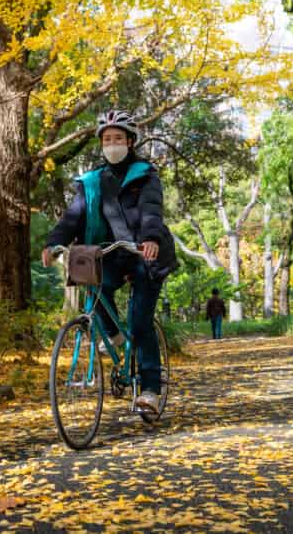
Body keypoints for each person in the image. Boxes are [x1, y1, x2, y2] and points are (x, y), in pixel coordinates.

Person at [42, 109, 177, 413]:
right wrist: (54, 243)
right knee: (92, 288)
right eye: (107, 139)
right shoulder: (91, 182)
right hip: (110, 252)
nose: (112, 143)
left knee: (140, 322)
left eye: (118, 138)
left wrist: (151, 239)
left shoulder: (145, 175)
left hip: (145, 254)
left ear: (130, 141)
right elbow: (72, 217)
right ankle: (114, 336)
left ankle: (151, 390)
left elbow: (151, 210)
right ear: (101, 144)